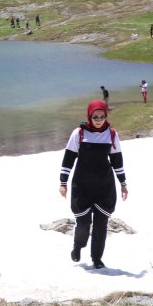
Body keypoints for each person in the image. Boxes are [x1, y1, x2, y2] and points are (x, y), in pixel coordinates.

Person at [59, 100, 129, 269]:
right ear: (89, 116)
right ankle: (78, 246)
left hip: (104, 185)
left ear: (106, 116)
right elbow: (68, 158)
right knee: (83, 223)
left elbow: (117, 160)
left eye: (102, 116)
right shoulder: (79, 133)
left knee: (101, 223)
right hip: (82, 185)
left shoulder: (111, 134)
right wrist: (63, 182)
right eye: (95, 116)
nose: (98, 119)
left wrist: (123, 184)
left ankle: (97, 258)